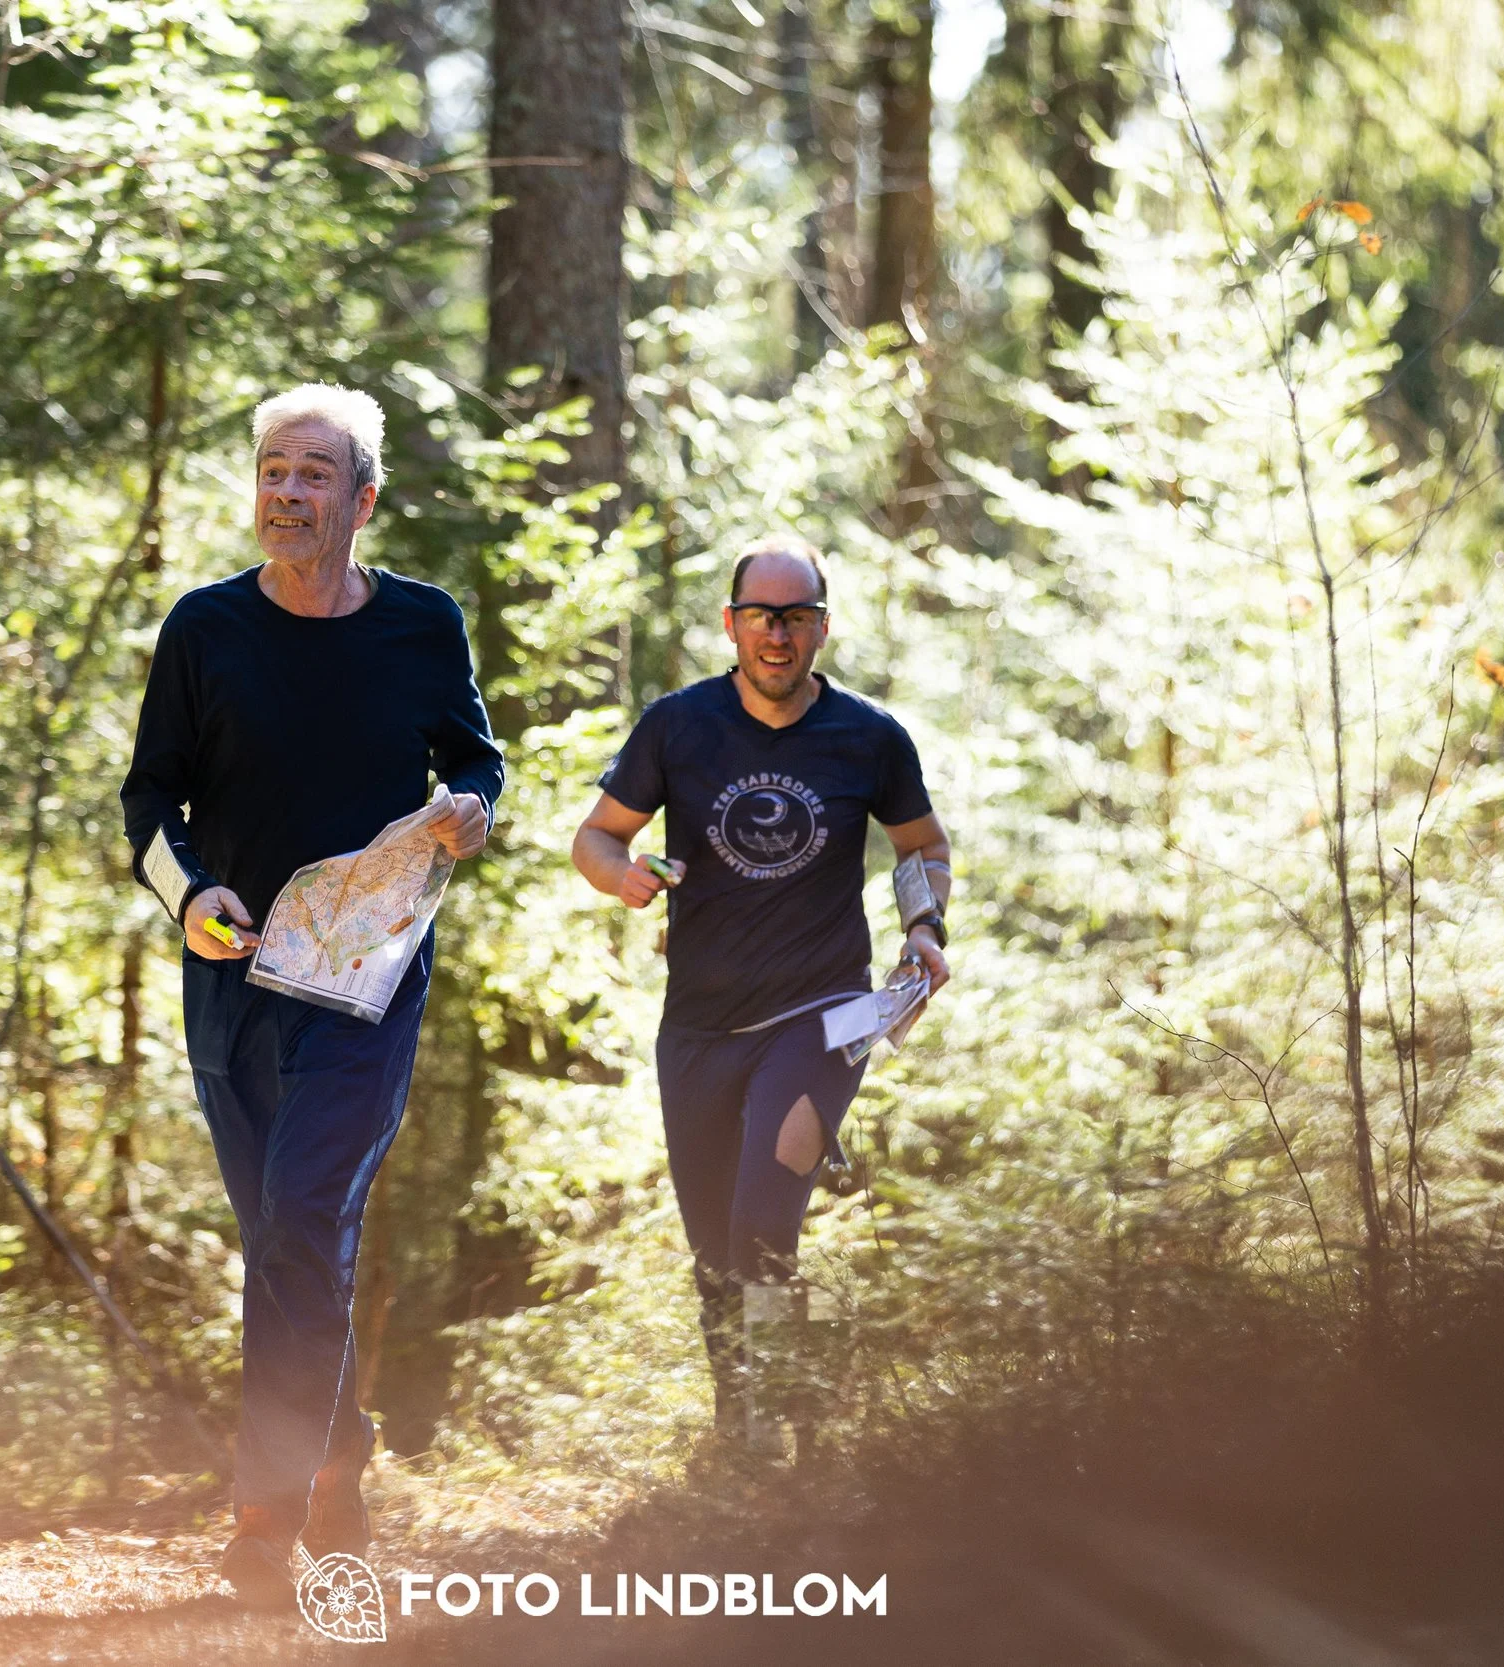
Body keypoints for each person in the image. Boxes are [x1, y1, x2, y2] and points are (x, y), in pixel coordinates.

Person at [120, 383, 502, 1606]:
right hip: (233, 976)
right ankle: (338, 1464)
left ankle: (263, 1513)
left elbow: (476, 756)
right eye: (273, 470)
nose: (286, 492)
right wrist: (191, 900)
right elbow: (147, 806)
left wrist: (472, 810)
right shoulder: (204, 628)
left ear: (363, 500)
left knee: (302, 1213)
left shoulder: (423, 626)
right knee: (280, 1238)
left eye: (314, 474)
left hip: (365, 984)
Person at [570, 536, 951, 1434]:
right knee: (715, 1251)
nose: (777, 634)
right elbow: (595, 836)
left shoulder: (869, 736)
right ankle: (748, 1436)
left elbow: (922, 847)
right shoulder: (678, 726)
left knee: (762, 1229)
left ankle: (787, 1431)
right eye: (760, 616)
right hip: (699, 1026)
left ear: (823, 625)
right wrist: (619, 874)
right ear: (731, 624)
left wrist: (924, 926)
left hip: (819, 1018)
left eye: (796, 616)